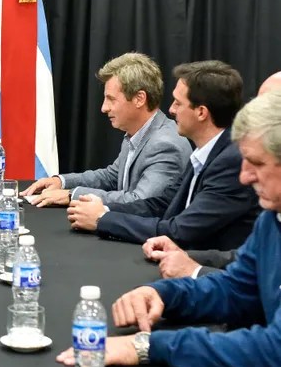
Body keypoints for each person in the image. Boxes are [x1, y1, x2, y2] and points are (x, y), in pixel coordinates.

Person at [56, 90, 281, 366]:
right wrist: (165, 294)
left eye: (257, 163)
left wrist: (148, 346)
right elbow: (236, 289)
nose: (244, 176)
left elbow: (273, 349)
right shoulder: (271, 221)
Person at [66, 61, 260, 250]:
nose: (171, 110)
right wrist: (104, 210)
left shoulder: (231, 162)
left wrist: (102, 219)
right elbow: (162, 203)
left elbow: (180, 231)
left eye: (178, 103)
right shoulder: (206, 152)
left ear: (201, 112)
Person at [140, 70, 281, 278]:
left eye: (271, 109)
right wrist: (186, 260)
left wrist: (193, 269)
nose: (245, 176)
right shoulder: (270, 219)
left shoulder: (229, 160)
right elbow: (246, 265)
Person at [23, 53, 191, 206]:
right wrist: (61, 182)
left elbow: (141, 201)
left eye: (111, 99)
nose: (104, 108)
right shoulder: (137, 133)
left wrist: (71, 195)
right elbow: (112, 177)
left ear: (139, 99)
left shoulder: (165, 145)